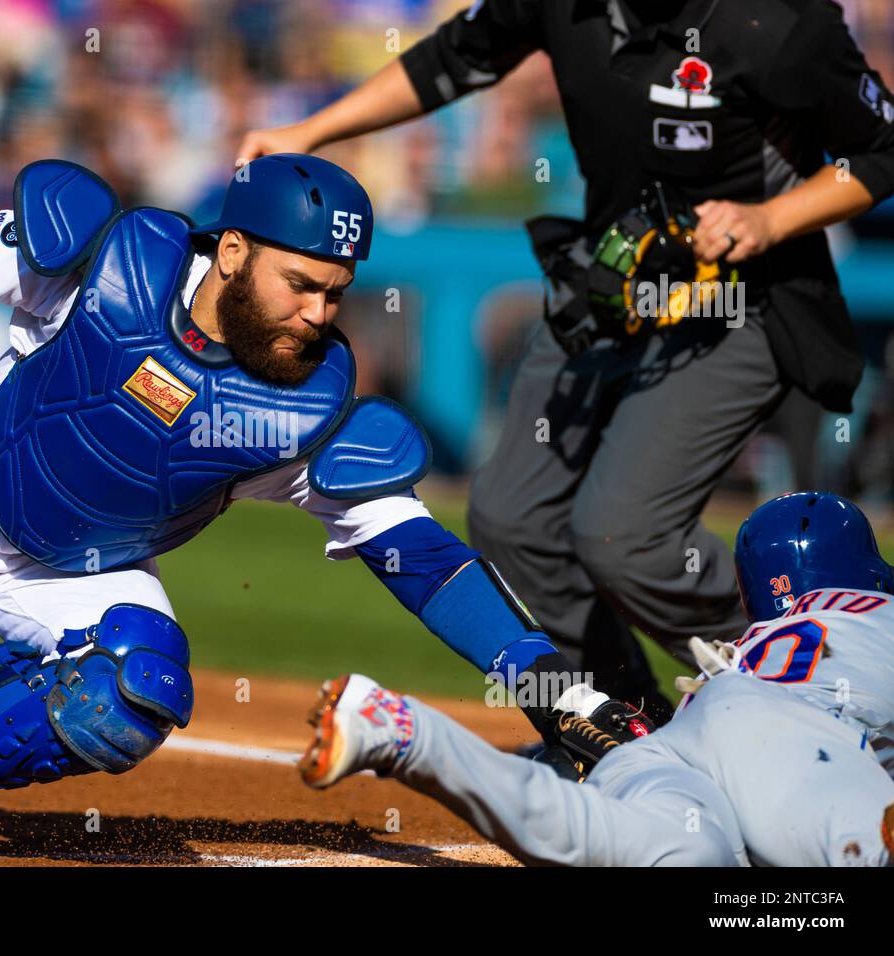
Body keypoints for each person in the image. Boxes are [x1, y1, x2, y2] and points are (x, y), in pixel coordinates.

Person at [0, 155, 643, 860]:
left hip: (83, 568)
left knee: (138, 684)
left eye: (336, 292)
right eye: (301, 283)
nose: (320, 313)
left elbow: (419, 555)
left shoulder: (302, 409)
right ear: (234, 250)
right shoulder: (105, 257)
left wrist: (546, 684)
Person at [238, 0, 894, 717]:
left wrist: (769, 219)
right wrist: (312, 129)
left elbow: (883, 147)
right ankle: (627, 729)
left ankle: (825, 682)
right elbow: (452, 59)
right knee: (509, 518)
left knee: (625, 537)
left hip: (740, 302)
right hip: (609, 285)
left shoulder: (773, 22)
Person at [300, 492, 894, 866]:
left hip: (684, 737)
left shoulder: (764, 644)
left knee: (659, 847)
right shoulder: (879, 614)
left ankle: (404, 732)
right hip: (796, 755)